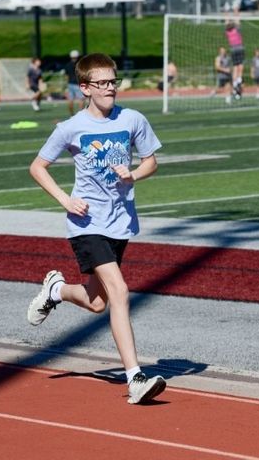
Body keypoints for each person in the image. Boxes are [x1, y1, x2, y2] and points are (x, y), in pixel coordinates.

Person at [27, 53, 165, 405]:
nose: (109, 89)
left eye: (112, 82)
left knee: (97, 302)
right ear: (85, 88)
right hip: (85, 223)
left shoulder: (132, 119)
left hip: (120, 222)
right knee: (119, 291)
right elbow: (38, 167)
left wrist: (133, 174)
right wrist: (64, 200)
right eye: (101, 83)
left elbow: (152, 162)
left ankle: (56, 291)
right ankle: (135, 377)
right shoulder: (70, 127)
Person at [225, 20, 245, 99]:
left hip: (233, 49)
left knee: (235, 67)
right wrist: (236, 11)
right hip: (239, 48)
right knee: (240, 66)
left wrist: (226, 13)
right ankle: (239, 80)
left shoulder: (228, 32)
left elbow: (227, 23)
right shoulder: (236, 30)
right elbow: (238, 21)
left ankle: (235, 83)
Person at [64, 49, 82, 116]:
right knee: (81, 99)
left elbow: (66, 76)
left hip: (70, 84)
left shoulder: (68, 65)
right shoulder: (79, 65)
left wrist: (67, 84)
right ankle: (80, 115)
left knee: (70, 100)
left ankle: (71, 115)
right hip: (77, 84)